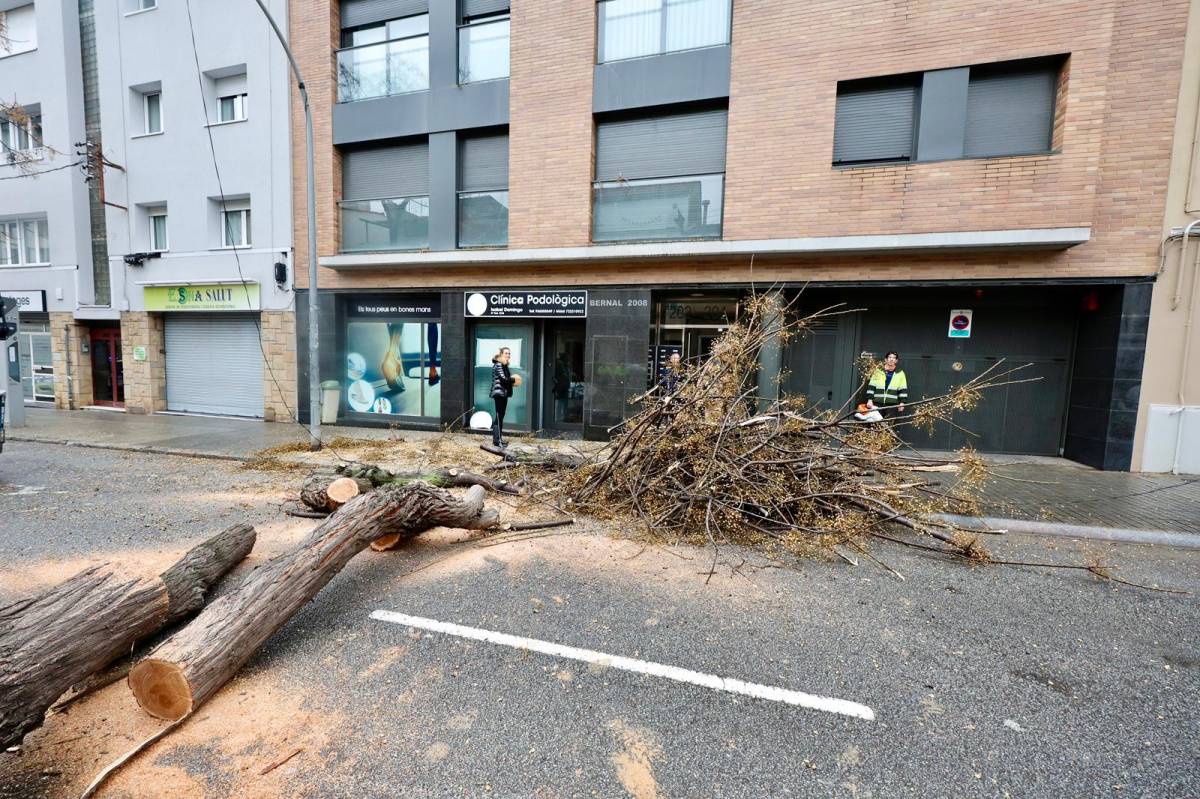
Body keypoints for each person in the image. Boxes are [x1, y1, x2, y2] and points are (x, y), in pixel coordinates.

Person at [865, 351, 908, 418]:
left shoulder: (900, 373)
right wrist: (869, 400)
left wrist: (902, 403)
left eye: (894, 358)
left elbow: (903, 389)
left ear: (896, 361)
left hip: (892, 405)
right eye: (890, 357)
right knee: (876, 423)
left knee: (889, 423)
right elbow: (871, 386)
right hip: (877, 403)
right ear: (885, 359)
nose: (891, 359)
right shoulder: (878, 371)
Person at [490, 347, 518, 447]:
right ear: (501, 354)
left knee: (500, 416)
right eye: (506, 353)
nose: (508, 355)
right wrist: (514, 380)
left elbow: (506, 379)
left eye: (509, 353)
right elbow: (503, 379)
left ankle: (498, 439)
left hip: (503, 393)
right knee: (499, 416)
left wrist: (511, 380)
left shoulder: (504, 365)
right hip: (499, 393)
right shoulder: (499, 364)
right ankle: (497, 441)